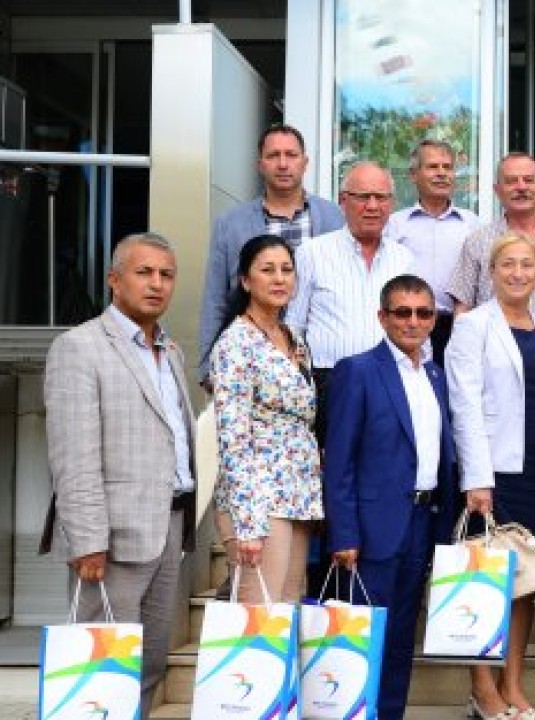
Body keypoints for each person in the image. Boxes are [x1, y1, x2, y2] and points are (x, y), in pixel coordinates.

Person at [42, 232, 197, 716]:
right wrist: (87, 539)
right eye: (143, 272)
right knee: (102, 668)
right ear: (114, 279)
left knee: (148, 663)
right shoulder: (79, 347)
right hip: (110, 539)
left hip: (168, 525)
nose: (157, 284)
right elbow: (73, 455)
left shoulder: (170, 351)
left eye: (166, 275)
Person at [324, 274, 459, 720]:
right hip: (371, 530)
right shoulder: (358, 370)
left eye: (423, 313)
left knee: (401, 639)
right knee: (363, 639)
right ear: (382, 317)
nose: (413, 321)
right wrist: (344, 533)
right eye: (402, 312)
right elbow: (339, 460)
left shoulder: (435, 375)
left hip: (422, 522)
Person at [446, 233, 535, 720]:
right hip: (493, 473)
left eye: (526, 265)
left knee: (527, 582)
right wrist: (477, 477)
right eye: (508, 264)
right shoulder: (472, 325)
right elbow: (464, 403)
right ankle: (482, 689)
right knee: (486, 581)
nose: (518, 273)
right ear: (491, 273)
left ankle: (512, 685)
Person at [207, 233, 323, 602]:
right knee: (259, 619)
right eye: (267, 270)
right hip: (258, 496)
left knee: (286, 614)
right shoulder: (235, 343)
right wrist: (248, 523)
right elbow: (233, 437)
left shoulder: (293, 337)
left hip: (297, 493)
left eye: (287, 270)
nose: (279, 279)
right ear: (245, 280)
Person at [198, 124, 344, 379]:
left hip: (320, 360)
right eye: (273, 155)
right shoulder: (231, 224)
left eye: (291, 155)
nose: (283, 164)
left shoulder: (334, 218)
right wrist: (206, 368)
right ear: (260, 164)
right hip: (251, 360)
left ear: (305, 163)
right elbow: (215, 299)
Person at [285, 160, 414, 443]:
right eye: (363, 196)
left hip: (390, 381)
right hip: (330, 383)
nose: (372, 206)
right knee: (333, 465)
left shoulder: (404, 259)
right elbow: (293, 327)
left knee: (381, 463)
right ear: (343, 200)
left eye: (381, 197)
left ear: (391, 203)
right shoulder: (312, 253)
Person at [447, 152, 535, 335]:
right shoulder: (477, 242)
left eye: (528, 180)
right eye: (511, 181)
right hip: (492, 351)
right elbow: (463, 307)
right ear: (497, 190)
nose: (521, 187)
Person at [386, 139, 481, 361]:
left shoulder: (473, 225)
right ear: (413, 175)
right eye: (432, 167)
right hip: (408, 326)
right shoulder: (395, 225)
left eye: (447, 167)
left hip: (459, 327)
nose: (442, 173)